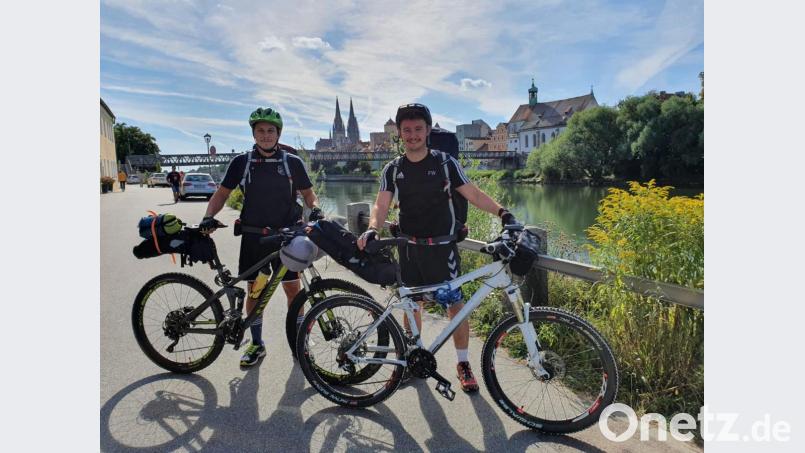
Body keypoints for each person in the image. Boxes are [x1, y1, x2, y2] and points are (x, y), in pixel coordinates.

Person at [357, 103, 517, 392]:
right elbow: (381, 204)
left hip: (442, 250)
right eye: (407, 130)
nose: (413, 135)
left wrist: (503, 214)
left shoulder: (445, 163)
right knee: (411, 304)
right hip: (408, 247)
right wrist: (372, 229)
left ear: (428, 130)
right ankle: (412, 355)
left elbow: (474, 194)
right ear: (400, 134)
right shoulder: (393, 168)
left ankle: (463, 363)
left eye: (418, 129)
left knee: (455, 306)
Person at [199, 107, 324, 367]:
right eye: (260, 131)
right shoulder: (242, 163)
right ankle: (257, 344)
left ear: (278, 134)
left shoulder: (292, 162)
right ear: (254, 134)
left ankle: (298, 340)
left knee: (293, 290)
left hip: (287, 238)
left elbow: (309, 195)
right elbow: (222, 194)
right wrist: (208, 216)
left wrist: (316, 211)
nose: (265, 135)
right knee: (255, 292)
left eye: (270, 131)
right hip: (254, 238)